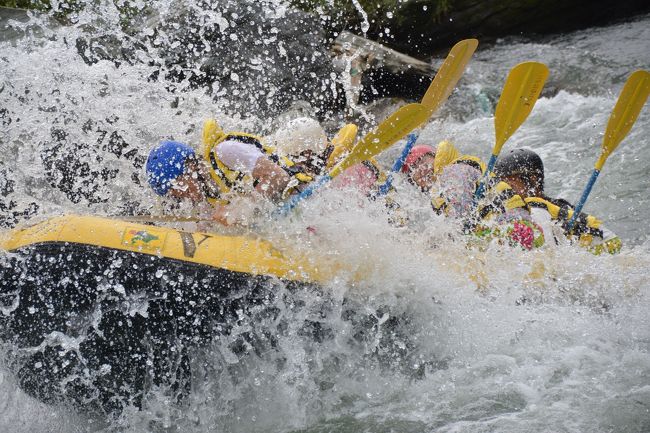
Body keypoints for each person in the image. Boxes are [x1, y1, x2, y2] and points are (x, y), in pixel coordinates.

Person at [145, 118, 328, 225]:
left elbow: (277, 176)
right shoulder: (208, 191)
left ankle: (329, 153)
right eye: (171, 192)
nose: (179, 195)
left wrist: (243, 207)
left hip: (303, 188)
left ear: (189, 167)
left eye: (176, 186)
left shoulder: (225, 151)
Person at [402, 140, 545, 250]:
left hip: (515, 230)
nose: (419, 170)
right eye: (412, 170)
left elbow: (459, 212)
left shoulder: (454, 170)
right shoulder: (439, 193)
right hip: (523, 231)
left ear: (434, 155)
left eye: (421, 161)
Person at [494, 148, 621, 254]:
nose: (503, 190)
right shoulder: (508, 212)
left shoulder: (561, 213)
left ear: (533, 180)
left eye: (509, 183)